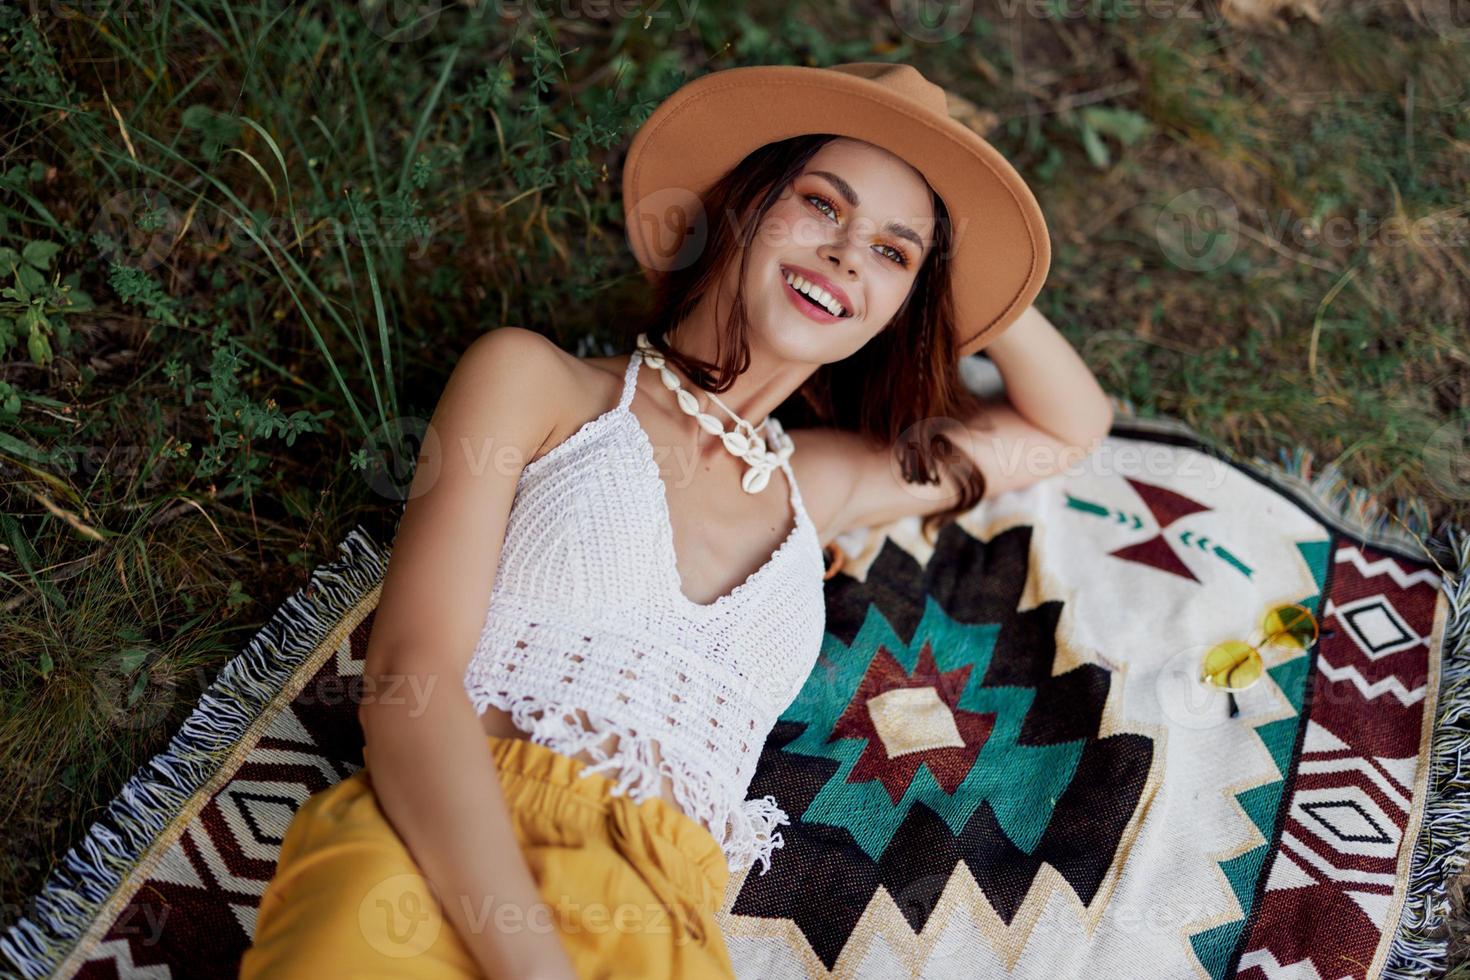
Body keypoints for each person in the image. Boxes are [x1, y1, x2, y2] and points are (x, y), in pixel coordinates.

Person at [238, 61, 1114, 979]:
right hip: (434, 862)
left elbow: (1066, 426)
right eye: (822, 206)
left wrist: (962, 278)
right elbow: (408, 677)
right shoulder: (540, 385)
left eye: (892, 253)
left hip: (666, 919)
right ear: (737, 208)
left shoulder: (819, 486)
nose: (850, 254)